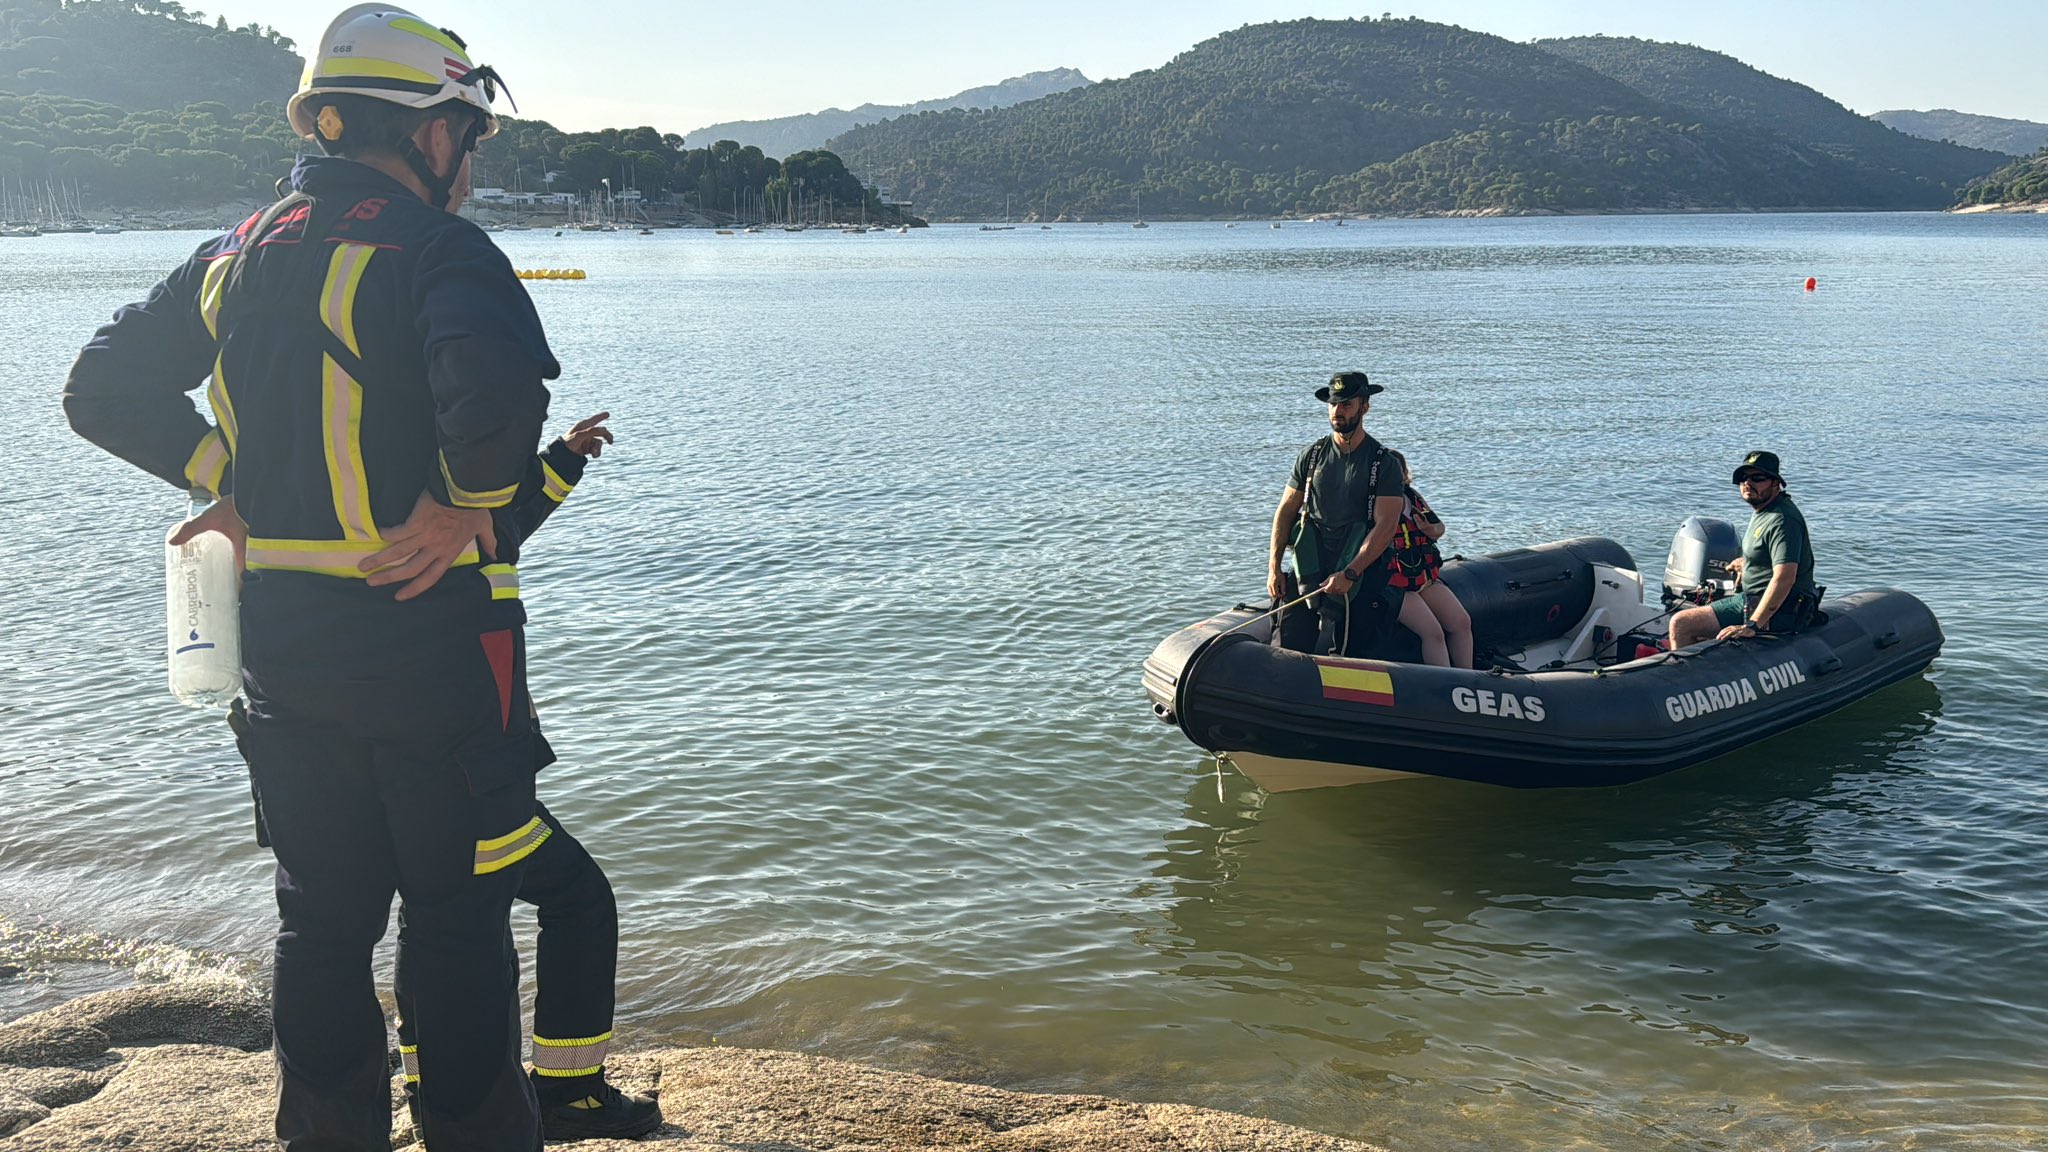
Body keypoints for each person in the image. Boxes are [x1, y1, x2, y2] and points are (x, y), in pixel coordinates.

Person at [65, 8, 557, 1148]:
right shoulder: (437, 248)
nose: (473, 165)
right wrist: (463, 508)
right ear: (427, 134)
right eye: (468, 137)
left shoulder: (237, 250)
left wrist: (220, 475)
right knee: (455, 915)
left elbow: (97, 388)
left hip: (281, 649)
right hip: (428, 645)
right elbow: (495, 411)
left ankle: (326, 1134)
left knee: (322, 923)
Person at [392, 414, 662, 1142]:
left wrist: (562, 462)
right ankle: (567, 1095)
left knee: (428, 917)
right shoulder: (432, 528)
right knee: (577, 899)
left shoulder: (408, 507)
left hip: (431, 768)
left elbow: (503, 522)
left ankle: (426, 1088)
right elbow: (487, 528)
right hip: (473, 771)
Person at [1267, 372, 1408, 657]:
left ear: (1364, 406)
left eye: (1346, 404)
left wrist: (1351, 572)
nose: (1337, 411)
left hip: (1360, 564)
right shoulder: (1312, 455)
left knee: (1358, 651)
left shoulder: (1383, 463)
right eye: (1333, 404)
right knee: (1287, 642)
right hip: (1311, 559)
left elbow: (1385, 527)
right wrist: (1273, 566)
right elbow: (1285, 511)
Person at [1669, 450, 1823, 650]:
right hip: (1753, 597)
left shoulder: (1782, 520)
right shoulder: (1765, 511)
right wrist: (1747, 563)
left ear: (1776, 483)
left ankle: (1686, 679)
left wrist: (1753, 625)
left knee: (1682, 623)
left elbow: (1785, 577)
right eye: (1743, 478)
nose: (1748, 484)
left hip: (1781, 609)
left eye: (1757, 478)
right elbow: (1770, 553)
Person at [1382, 450, 1474, 668]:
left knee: (1461, 622)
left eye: (1399, 472)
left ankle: (1469, 678)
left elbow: (1439, 528)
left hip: (1422, 578)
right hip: (1394, 585)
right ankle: (1444, 685)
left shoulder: (1413, 498)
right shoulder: (1374, 506)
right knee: (1433, 633)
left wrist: (1430, 529)